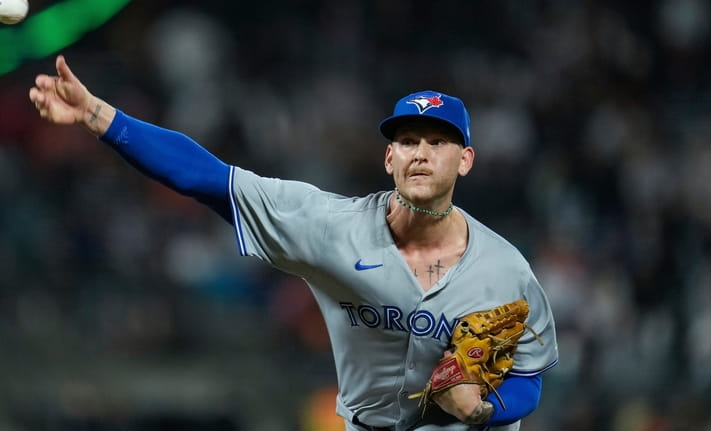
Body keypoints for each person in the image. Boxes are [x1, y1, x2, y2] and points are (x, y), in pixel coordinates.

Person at [29, 55, 558, 431]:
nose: (420, 153)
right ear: (388, 158)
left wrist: (481, 409)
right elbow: (208, 178)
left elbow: (529, 377)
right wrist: (99, 116)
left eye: (438, 141)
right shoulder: (331, 228)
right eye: (407, 141)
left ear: (465, 160)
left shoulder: (504, 269)